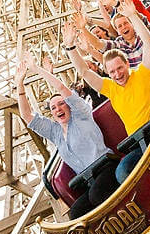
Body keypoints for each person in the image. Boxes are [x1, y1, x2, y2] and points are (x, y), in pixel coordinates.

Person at [69, 0, 150, 183]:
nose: (117, 74)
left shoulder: (143, 72)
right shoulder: (110, 88)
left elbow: (149, 44)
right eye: (112, 72)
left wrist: (132, 16)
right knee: (122, 173)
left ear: (127, 64)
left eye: (119, 68)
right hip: (136, 142)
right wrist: (70, 47)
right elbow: (85, 72)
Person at [16, 51, 118, 219]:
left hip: (106, 167)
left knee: (96, 196)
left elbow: (62, 88)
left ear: (69, 105)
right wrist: (19, 85)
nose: (58, 109)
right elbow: (27, 115)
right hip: (87, 181)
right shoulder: (55, 132)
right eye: (53, 108)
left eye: (61, 104)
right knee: (76, 213)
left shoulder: (81, 114)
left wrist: (37, 69)